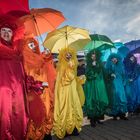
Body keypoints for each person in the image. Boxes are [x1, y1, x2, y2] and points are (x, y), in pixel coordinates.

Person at [0, 15, 28, 139]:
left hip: (18, 92)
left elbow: (23, 73)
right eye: (3, 31)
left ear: (13, 34)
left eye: (9, 31)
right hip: (2, 91)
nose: (6, 33)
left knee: (20, 120)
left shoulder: (18, 52)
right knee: (4, 120)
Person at [22, 36, 54, 140]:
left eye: (34, 44)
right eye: (30, 45)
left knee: (47, 113)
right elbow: (25, 79)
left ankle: (46, 135)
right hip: (33, 95)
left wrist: (48, 57)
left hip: (45, 93)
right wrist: (38, 85)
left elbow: (49, 72)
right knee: (35, 117)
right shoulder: (23, 62)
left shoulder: (41, 58)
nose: (34, 47)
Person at [53, 47, 83, 139]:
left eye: (70, 54)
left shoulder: (72, 64)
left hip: (72, 90)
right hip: (64, 91)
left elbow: (73, 78)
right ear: (63, 55)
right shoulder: (61, 65)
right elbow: (66, 79)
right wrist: (70, 68)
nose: (68, 56)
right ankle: (65, 130)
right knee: (65, 109)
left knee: (74, 107)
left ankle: (73, 128)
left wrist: (79, 79)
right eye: (67, 54)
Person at [84, 49, 109, 127]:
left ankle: (98, 118)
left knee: (99, 99)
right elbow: (87, 74)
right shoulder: (88, 64)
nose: (93, 56)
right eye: (92, 54)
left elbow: (103, 73)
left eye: (95, 54)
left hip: (99, 84)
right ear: (90, 56)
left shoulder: (100, 63)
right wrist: (93, 67)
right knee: (92, 100)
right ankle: (92, 120)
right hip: (91, 84)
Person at [105, 53, 128, 120]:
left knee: (121, 98)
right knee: (114, 99)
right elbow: (106, 75)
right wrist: (110, 74)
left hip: (120, 84)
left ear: (117, 59)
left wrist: (124, 82)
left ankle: (122, 114)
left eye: (115, 58)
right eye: (113, 58)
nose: (114, 59)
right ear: (111, 59)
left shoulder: (121, 66)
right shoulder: (108, 66)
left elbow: (124, 75)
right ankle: (115, 114)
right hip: (113, 85)